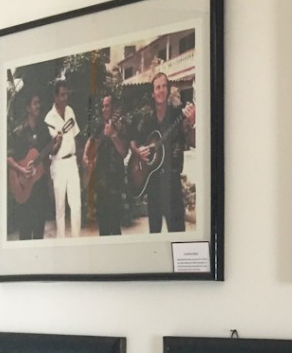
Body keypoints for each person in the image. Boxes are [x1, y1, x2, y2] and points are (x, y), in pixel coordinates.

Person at [132, 72, 194, 233]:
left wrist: (191, 122)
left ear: (168, 90)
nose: (161, 90)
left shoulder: (178, 115)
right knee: (155, 232)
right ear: (153, 93)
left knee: (177, 232)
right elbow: (133, 141)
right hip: (153, 183)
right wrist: (138, 151)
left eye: (164, 86)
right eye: (157, 87)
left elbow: (192, 141)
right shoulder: (147, 119)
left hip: (172, 182)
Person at [6, 91, 52, 239]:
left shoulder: (44, 130)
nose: (38, 106)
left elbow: (50, 152)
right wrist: (21, 169)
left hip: (39, 188)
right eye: (35, 103)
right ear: (28, 108)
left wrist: (57, 144)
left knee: (39, 233)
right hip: (23, 187)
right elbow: (8, 157)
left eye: (39, 103)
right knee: (25, 234)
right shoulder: (18, 132)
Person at [83, 94, 129, 236]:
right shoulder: (99, 125)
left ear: (114, 108)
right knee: (103, 227)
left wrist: (113, 135)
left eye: (107, 106)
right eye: (102, 106)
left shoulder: (121, 126)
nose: (103, 109)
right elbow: (91, 140)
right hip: (100, 182)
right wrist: (85, 155)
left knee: (115, 226)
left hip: (115, 182)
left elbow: (124, 152)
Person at [45, 80, 84, 237]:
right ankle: (61, 241)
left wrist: (82, 159)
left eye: (66, 94)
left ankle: (76, 240)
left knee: (76, 205)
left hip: (72, 162)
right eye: (62, 95)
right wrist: (58, 141)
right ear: (55, 97)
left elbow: (76, 136)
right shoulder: (49, 118)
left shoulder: (70, 111)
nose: (65, 97)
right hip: (58, 164)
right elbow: (52, 151)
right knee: (60, 208)